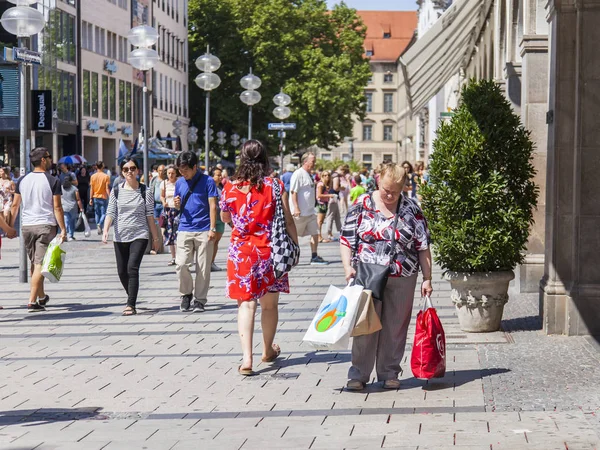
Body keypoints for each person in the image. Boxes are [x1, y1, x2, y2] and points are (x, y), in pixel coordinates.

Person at [340, 162, 433, 391]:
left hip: (403, 275)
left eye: (395, 191)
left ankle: (390, 372)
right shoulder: (362, 204)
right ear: (378, 180)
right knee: (365, 325)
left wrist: (427, 278)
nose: (390, 195)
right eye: (386, 190)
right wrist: (347, 267)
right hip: (368, 275)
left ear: (403, 188)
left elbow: (423, 247)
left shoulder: (412, 209)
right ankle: (358, 374)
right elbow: (346, 239)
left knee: (395, 326)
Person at [219, 140, 298, 375]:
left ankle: (247, 359)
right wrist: (294, 245)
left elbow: (225, 217)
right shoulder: (275, 185)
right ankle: (267, 350)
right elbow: (288, 219)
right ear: (265, 158)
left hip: (241, 252)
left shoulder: (230, 187)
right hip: (269, 251)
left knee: (246, 304)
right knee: (270, 305)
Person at [10, 147, 67, 312]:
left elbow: (15, 205)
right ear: (43, 160)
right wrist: (63, 229)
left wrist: (10, 228)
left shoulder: (22, 180)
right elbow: (57, 207)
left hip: (26, 227)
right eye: (48, 157)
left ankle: (42, 297)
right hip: (45, 226)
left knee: (35, 263)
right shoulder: (52, 180)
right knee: (39, 264)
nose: (50, 160)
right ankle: (32, 301)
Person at [103, 157, 159, 316]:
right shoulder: (116, 190)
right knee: (122, 272)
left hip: (139, 234)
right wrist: (106, 230)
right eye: (126, 169)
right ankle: (132, 295)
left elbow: (150, 216)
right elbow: (110, 211)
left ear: (138, 170)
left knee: (132, 268)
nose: (129, 171)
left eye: (132, 168)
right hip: (120, 235)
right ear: (122, 171)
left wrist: (155, 238)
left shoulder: (145, 191)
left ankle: (131, 304)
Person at [174, 151, 218, 313]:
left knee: (203, 267)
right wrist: (176, 203)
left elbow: (213, 205)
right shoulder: (179, 182)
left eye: (185, 170)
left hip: (204, 229)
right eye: (180, 170)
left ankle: (200, 300)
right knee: (181, 264)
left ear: (194, 167)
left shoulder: (208, 181)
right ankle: (186, 294)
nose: (182, 173)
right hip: (184, 228)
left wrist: (212, 228)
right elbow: (179, 205)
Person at [289, 152, 328, 265]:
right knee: (293, 236)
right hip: (300, 213)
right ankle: (292, 257)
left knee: (315, 233)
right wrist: (296, 208)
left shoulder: (309, 174)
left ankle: (314, 256)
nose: (314, 163)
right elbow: (293, 192)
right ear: (305, 162)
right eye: (313, 161)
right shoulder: (298, 174)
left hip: (310, 212)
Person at [160, 164, 179, 266]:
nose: (171, 175)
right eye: (169, 173)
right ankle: (174, 257)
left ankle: (181, 257)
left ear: (176, 173)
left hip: (178, 211)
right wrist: (164, 202)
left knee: (179, 235)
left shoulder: (179, 183)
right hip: (169, 211)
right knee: (170, 235)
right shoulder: (163, 184)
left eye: (173, 173)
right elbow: (162, 196)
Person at [210, 166, 226, 272]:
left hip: (221, 218)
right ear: (212, 176)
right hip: (213, 217)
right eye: (218, 175)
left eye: (221, 175)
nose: (220, 177)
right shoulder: (209, 187)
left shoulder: (221, 187)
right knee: (211, 241)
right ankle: (207, 262)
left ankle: (212, 262)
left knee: (216, 242)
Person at [89, 161, 111, 235]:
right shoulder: (106, 176)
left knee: (97, 213)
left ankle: (98, 225)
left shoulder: (93, 176)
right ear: (102, 166)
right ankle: (100, 224)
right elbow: (107, 188)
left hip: (95, 196)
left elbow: (91, 188)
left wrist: (90, 198)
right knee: (104, 213)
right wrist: (110, 196)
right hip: (103, 196)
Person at [325, 167, 344, 241]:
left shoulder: (333, 175)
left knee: (336, 216)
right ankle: (329, 233)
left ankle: (340, 232)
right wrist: (341, 188)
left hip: (333, 197)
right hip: (333, 197)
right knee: (331, 216)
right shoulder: (336, 176)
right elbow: (335, 188)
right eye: (343, 171)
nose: (343, 174)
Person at [316, 171, 334, 243]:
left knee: (321, 221)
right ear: (322, 176)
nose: (327, 176)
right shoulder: (321, 184)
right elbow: (319, 195)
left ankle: (319, 236)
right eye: (325, 175)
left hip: (324, 203)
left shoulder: (325, 184)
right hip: (321, 203)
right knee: (319, 221)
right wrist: (329, 195)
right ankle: (319, 237)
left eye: (328, 175)